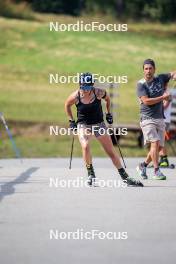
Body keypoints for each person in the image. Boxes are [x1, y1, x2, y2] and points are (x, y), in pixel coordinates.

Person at [65, 72, 143, 187]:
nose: (86, 89)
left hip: (99, 124)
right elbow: (67, 105)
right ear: (80, 84)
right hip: (83, 125)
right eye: (83, 86)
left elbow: (107, 99)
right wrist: (71, 120)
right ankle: (90, 172)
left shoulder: (98, 92)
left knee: (111, 151)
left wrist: (108, 113)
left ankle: (125, 177)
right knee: (85, 146)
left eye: (88, 86)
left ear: (92, 85)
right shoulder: (75, 96)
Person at [136, 59, 176, 180]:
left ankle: (143, 165)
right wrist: (163, 97)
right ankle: (156, 171)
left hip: (160, 118)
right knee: (155, 143)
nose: (148, 71)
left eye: (150, 68)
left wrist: (174, 76)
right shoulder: (141, 84)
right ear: (143, 70)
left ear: (154, 69)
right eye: (146, 69)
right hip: (147, 118)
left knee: (158, 147)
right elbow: (146, 101)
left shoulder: (160, 78)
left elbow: (172, 73)